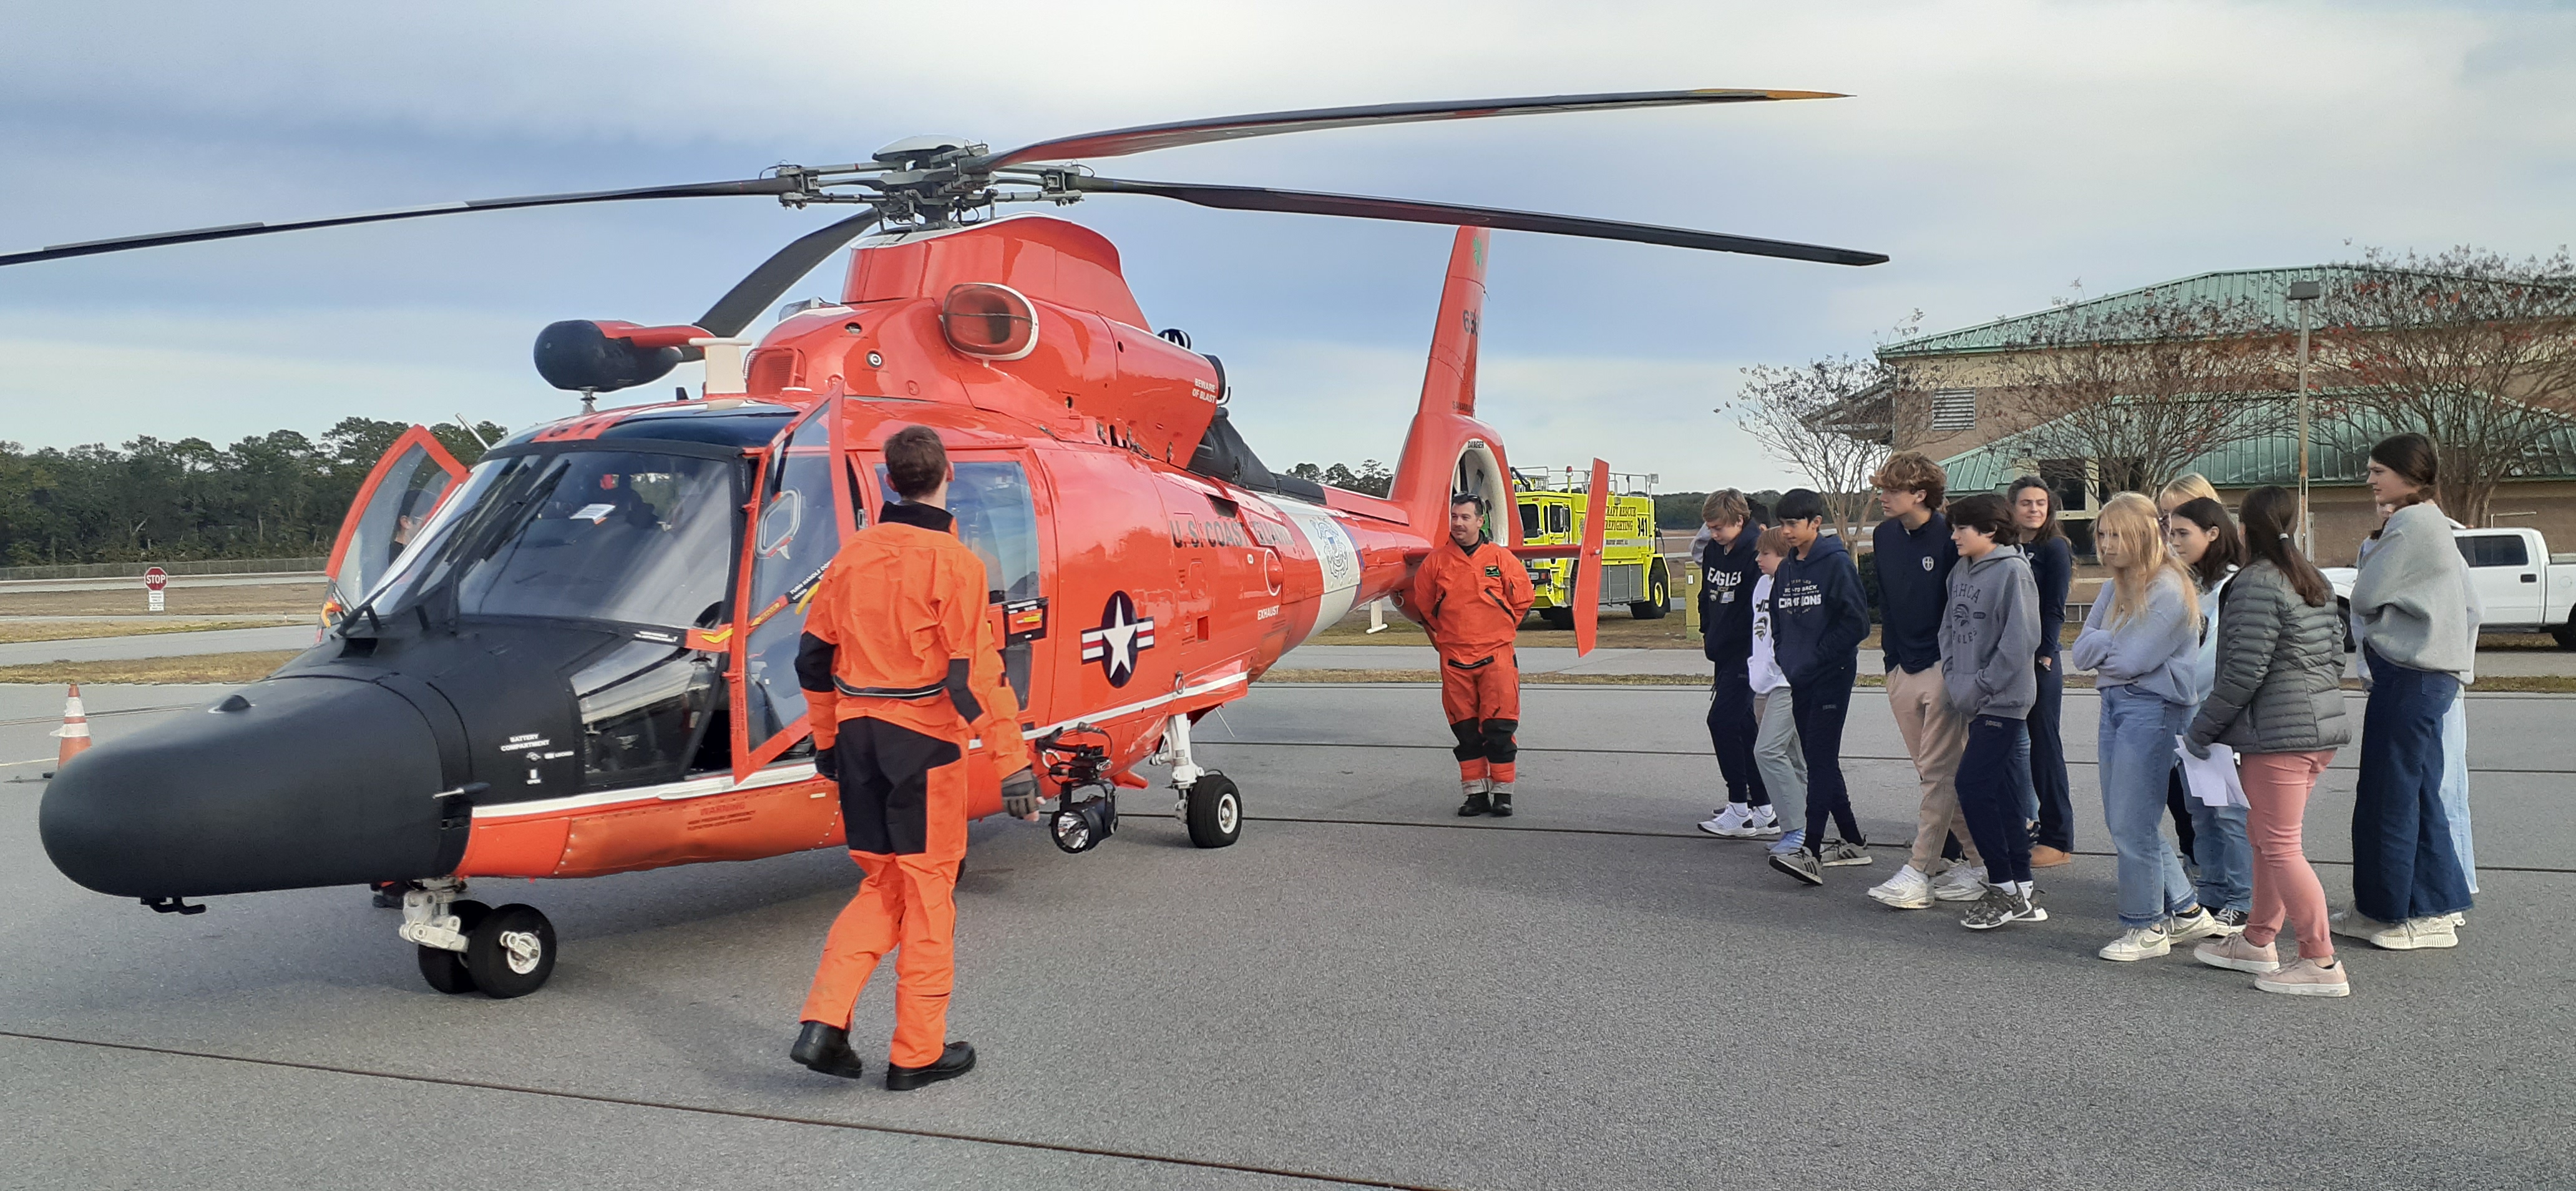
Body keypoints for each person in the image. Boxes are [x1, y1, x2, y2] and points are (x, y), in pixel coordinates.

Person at [789, 425, 1042, 1091]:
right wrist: (1013, 760)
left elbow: (813, 660)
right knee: (930, 897)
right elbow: (974, 675)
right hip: (923, 747)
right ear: (946, 474)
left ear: (888, 480)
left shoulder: (850, 558)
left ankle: (824, 1024)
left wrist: (824, 743)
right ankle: (916, 1053)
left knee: (882, 884)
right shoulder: (956, 564)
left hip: (857, 743)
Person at [2183, 486, 2354, 996]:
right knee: (2265, 838)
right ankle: (2258, 940)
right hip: (2316, 730)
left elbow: (2242, 672)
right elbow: (2335, 657)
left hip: (2278, 735)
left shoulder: (2256, 583)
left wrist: (2202, 729)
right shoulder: (2312, 577)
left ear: (2243, 529)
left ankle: (2320, 962)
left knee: (2279, 845)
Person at [2070, 491, 2227, 961]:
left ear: (2144, 534)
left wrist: (2107, 646)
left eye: (2118, 534)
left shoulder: (2172, 587)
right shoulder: (2111, 586)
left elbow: (2134, 657)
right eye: (2102, 534)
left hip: (2155, 710)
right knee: (2128, 818)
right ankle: (2185, 909)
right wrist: (2111, 648)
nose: (2107, 543)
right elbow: (2080, 655)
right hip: (2116, 705)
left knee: (2131, 822)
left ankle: (2146, 926)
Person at [2341, 433, 2476, 949]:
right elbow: (2470, 608)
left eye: (2378, 471)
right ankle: (2384, 909)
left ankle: (2425, 913)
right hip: (2421, 677)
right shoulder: (2428, 523)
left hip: (2413, 676)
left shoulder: (2412, 523)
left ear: (2408, 474)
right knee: (2402, 794)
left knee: (2397, 799)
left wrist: (2372, 563)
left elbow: (2368, 593)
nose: (2370, 480)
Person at [1863, 452, 1984, 910]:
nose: (1882, 497)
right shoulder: (1883, 535)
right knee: (1936, 775)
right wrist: (1891, 663)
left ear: (1920, 494)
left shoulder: (1951, 535)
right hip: (1901, 668)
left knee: (1936, 775)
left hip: (1944, 669)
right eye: (1881, 488)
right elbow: (1889, 604)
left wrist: (1955, 669)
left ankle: (1919, 871)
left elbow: (1967, 608)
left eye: (1891, 490)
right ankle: (1984, 864)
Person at [1936, 494, 2046, 929]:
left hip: (2003, 700)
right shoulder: (1960, 570)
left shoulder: (2012, 572)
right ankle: (2021, 885)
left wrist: (1980, 684)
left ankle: (2001, 884)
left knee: (1973, 785)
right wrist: (1954, 676)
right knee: (2001, 793)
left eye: (1962, 527)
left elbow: (2021, 642)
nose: (1954, 535)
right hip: (1970, 695)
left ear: (1990, 531)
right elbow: (1949, 628)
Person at [1764, 489, 1874, 885]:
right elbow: (1779, 618)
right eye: (1784, 524)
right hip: (1800, 676)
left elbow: (1856, 624)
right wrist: (1787, 656)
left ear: (1815, 523)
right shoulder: (1790, 567)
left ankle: (1809, 850)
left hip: (1831, 674)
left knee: (1821, 759)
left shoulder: (1836, 564)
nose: (1788, 532)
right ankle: (1852, 840)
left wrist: (1815, 658)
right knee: (1818, 757)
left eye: (1795, 523)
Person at [1411, 492, 1536, 817]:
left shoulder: (1501, 558)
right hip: (1455, 659)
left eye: (1465, 517)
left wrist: (1500, 627)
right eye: (1454, 517)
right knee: (1466, 733)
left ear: (1481, 522)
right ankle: (1475, 795)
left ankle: (1503, 794)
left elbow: (1523, 599)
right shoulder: (1435, 563)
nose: (1458, 523)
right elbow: (1424, 607)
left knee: (1499, 729)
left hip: (1497, 656)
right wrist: (1453, 636)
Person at [2166, 496, 2253, 932]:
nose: (2173, 541)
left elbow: (2213, 657)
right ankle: (2213, 890)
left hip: (2216, 715)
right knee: (2199, 810)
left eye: (2183, 533)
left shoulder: (2231, 586)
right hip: (2189, 713)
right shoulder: (2192, 584)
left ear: (2213, 534)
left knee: (2228, 813)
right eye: (2171, 532)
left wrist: (2179, 690)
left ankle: (2242, 897)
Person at [1695, 489, 1778, 838]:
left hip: (1747, 653)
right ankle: (1764, 808)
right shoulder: (1715, 550)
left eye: (1718, 528)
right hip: (1722, 649)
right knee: (1744, 728)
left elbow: (1758, 608)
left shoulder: (1755, 553)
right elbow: (1706, 595)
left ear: (1739, 521)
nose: (1712, 535)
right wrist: (1707, 631)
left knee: (1722, 721)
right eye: (1709, 528)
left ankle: (1739, 808)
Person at [2007, 477, 2076, 868]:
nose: (2034, 510)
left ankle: (2059, 837)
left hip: (2040, 661)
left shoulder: (2055, 548)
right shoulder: (2005, 547)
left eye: (2041, 503)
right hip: (2006, 660)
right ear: (2012, 507)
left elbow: (2055, 607)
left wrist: (2046, 653)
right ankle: (2020, 822)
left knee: (2045, 747)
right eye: (2026, 503)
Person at [2154, 474, 2222, 865]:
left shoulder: (2225, 578)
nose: (2170, 531)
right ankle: (2194, 854)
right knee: (2176, 789)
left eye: (2179, 521)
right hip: (2174, 698)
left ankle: (2220, 875)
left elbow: (2212, 655)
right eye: (2165, 519)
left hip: (2207, 704)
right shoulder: (2172, 569)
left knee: (2215, 804)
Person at [1745, 526, 1807, 858]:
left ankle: (1797, 830)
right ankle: (1801, 827)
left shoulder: (1794, 585)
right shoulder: (1761, 584)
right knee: (1793, 758)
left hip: (1787, 682)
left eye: (1766, 554)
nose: (1758, 559)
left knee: (1767, 751)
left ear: (1785, 556)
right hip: (1763, 682)